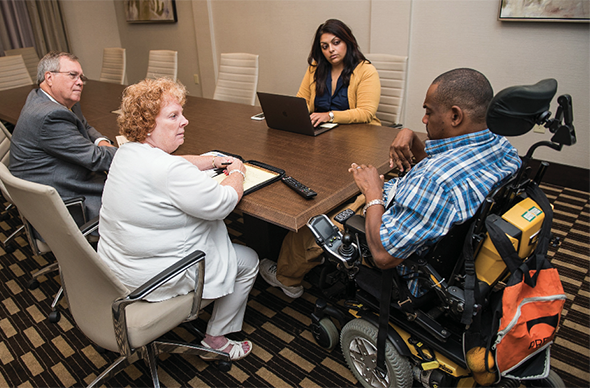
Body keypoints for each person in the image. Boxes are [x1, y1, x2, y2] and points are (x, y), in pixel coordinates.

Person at [260, 68, 522, 298]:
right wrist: (415, 142)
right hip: (451, 239)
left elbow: (384, 255)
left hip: (408, 270)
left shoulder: (435, 181)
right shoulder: (501, 146)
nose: (423, 120)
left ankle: (286, 279)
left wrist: (373, 193)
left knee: (313, 225)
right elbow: (448, 172)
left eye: (428, 113)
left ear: (455, 116)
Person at [97, 78, 258, 361]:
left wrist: (212, 161)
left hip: (118, 270)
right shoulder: (169, 172)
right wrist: (237, 171)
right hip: (158, 279)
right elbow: (223, 203)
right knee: (248, 260)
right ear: (148, 125)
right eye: (173, 116)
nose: (184, 121)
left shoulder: (125, 153)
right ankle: (216, 340)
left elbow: (175, 163)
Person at [9, 51, 117, 221]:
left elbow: (84, 126)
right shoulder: (50, 116)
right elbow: (96, 159)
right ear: (49, 77)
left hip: (54, 177)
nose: (80, 82)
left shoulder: (46, 98)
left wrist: (102, 141)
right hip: (63, 201)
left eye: (81, 77)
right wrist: (127, 153)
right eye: (72, 75)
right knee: (135, 199)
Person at [297, 19, 381, 127]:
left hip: (357, 133)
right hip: (322, 131)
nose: (331, 50)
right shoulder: (316, 67)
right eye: (325, 46)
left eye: (336, 43)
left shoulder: (366, 70)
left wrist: (329, 116)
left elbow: (365, 113)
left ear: (347, 41)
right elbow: (303, 101)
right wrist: (293, 112)